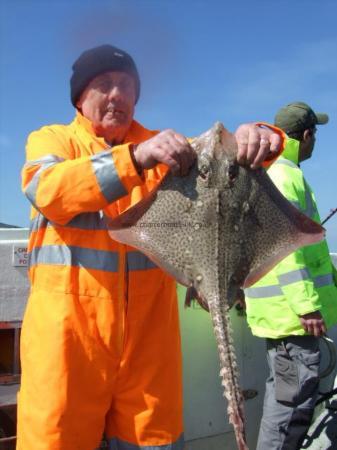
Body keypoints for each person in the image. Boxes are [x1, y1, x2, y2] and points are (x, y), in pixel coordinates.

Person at [18, 44, 283, 450]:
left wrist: (263, 135)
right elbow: (47, 189)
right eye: (104, 84)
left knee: (155, 443)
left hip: (148, 350)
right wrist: (132, 160)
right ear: (80, 97)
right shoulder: (54, 140)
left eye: (127, 86)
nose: (117, 95)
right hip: (69, 347)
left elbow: (223, 158)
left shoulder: (166, 150)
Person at [244, 101, 337, 450]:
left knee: (290, 403)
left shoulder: (280, 173)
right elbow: (284, 247)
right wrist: (307, 306)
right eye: (316, 135)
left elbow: (307, 247)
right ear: (308, 135)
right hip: (292, 319)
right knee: (290, 409)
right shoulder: (285, 176)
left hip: (286, 318)